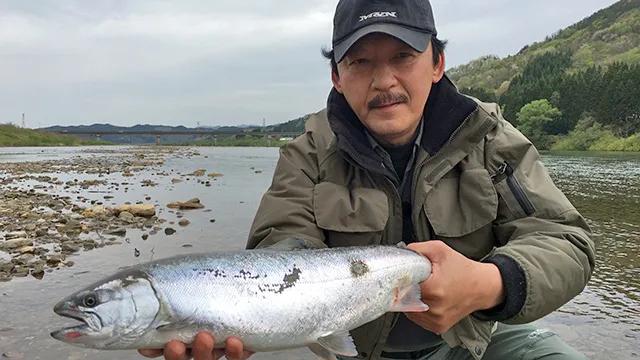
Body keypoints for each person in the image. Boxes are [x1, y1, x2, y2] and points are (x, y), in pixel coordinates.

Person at [140, 0, 595, 359]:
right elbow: (281, 245)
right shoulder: (307, 154)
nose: (384, 80)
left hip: (472, 345)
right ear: (337, 76)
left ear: (436, 64)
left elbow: (563, 239)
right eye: (360, 62)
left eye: (403, 56)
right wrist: (237, 315)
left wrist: (490, 283)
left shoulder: (491, 140)